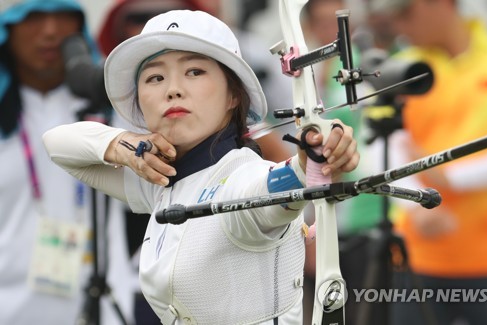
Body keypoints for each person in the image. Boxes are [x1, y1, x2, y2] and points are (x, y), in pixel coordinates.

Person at [43, 9, 359, 324]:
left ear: (234, 95)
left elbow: (278, 185)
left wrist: (316, 158)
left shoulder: (243, 178)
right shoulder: (158, 179)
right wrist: (124, 146)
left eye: (194, 72)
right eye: (155, 77)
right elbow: (57, 144)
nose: (173, 89)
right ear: (140, 100)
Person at [0, 0, 133, 324]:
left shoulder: (114, 107)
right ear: (8, 31)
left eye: (63, 18)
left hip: (103, 306)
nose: (50, 32)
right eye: (33, 18)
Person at [369, 0, 487, 324]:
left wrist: (447, 178)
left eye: (406, 12)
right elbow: (378, 146)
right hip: (417, 258)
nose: (400, 26)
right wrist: (416, 203)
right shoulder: (401, 67)